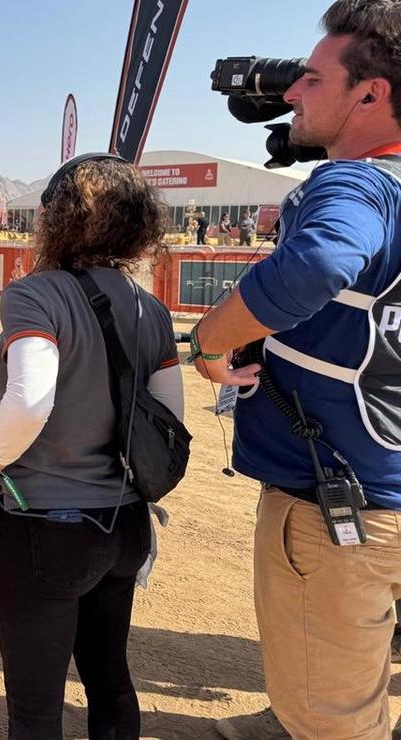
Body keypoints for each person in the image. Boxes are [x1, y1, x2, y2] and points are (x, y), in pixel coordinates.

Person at [191, 3, 401, 737]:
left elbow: (317, 261)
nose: (289, 94)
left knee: (335, 724)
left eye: (312, 79)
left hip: (341, 509)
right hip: (382, 488)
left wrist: (211, 342)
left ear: (371, 96)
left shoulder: (359, 183)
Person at [0, 153, 182, 739]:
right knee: (111, 681)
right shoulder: (152, 309)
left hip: (45, 531)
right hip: (126, 527)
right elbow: (170, 423)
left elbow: (31, 400)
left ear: (58, 219)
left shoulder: (37, 295)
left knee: (36, 710)